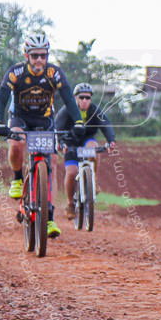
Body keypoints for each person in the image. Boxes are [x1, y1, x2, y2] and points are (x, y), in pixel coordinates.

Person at [0, 34, 82, 238]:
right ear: (27, 56)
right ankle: (17, 179)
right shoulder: (15, 72)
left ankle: (49, 217)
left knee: (51, 162)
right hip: (20, 118)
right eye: (35, 56)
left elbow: (68, 98)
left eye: (43, 55)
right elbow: (1, 97)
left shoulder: (54, 73)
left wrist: (78, 121)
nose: (39, 60)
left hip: (44, 120)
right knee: (17, 143)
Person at [55, 82, 116, 219]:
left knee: (93, 148)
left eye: (88, 98)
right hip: (70, 143)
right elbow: (57, 127)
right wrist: (60, 142)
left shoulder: (95, 110)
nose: (84, 101)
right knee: (71, 173)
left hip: (86, 140)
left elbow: (105, 124)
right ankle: (70, 204)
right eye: (81, 97)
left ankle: (93, 180)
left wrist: (111, 141)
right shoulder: (67, 110)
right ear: (75, 98)